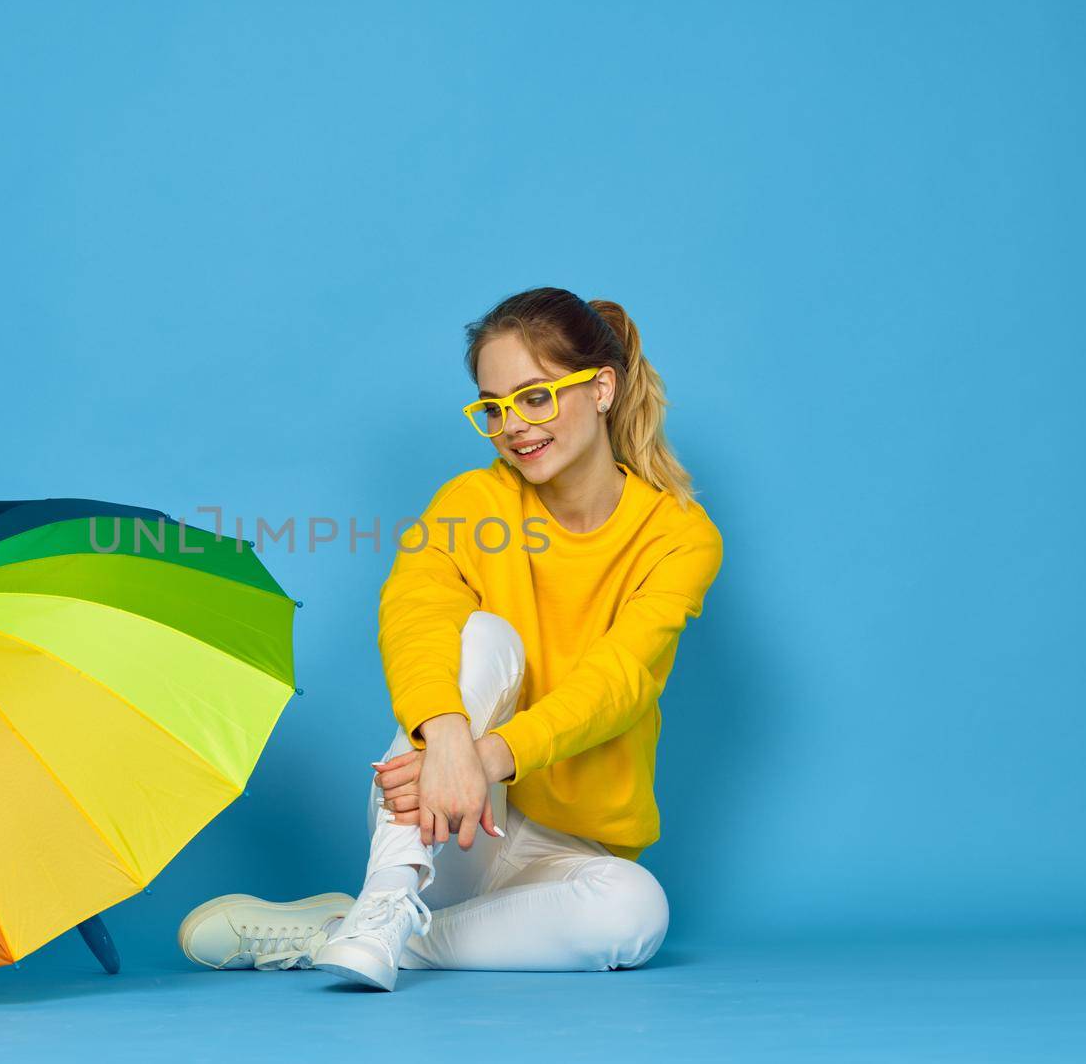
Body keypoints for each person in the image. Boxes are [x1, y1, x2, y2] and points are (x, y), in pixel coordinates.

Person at [177, 287, 724, 990]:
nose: (513, 426)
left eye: (535, 397)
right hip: (446, 820)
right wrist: (449, 744)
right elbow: (414, 612)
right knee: (485, 636)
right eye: (493, 407)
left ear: (602, 387)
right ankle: (387, 896)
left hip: (563, 845)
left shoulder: (677, 536)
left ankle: (363, 932)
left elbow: (618, 682)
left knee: (635, 913)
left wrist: (486, 755)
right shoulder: (473, 502)